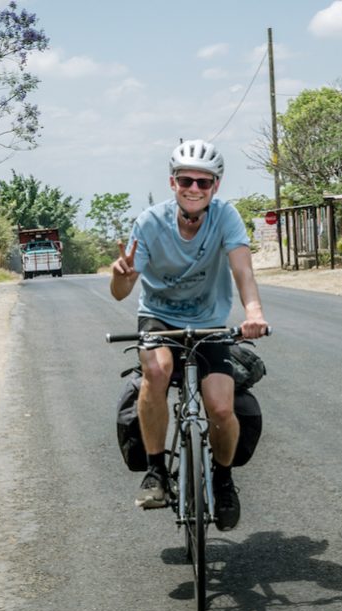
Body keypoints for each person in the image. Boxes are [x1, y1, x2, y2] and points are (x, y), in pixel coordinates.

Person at [110, 139, 269, 531]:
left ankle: (223, 478)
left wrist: (254, 313)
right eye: (186, 180)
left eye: (204, 182)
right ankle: (156, 473)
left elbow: (242, 271)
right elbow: (120, 292)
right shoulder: (149, 222)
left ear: (216, 186)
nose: (194, 189)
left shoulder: (226, 217)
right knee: (158, 371)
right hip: (159, 319)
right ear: (172, 182)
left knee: (220, 407)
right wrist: (121, 278)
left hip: (210, 322)